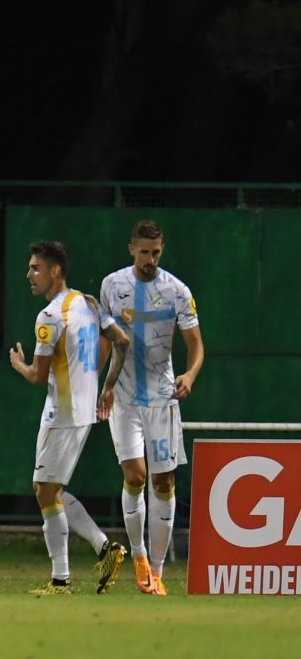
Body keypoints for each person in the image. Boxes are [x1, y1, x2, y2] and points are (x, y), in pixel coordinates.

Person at [9, 241, 130, 595]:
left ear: (55, 271)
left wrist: (19, 366)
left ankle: (61, 579)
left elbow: (36, 375)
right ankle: (104, 548)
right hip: (80, 410)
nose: (29, 275)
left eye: (35, 268)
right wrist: (104, 386)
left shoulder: (49, 316)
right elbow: (120, 341)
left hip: (62, 413)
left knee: (45, 492)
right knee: (51, 489)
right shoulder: (88, 302)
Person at [98, 220, 203, 595]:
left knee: (164, 482)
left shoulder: (176, 290)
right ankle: (139, 556)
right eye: (144, 252)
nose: (150, 259)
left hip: (163, 399)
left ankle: (156, 572)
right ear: (131, 249)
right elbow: (109, 343)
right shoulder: (112, 285)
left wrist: (189, 375)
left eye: (156, 252)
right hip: (124, 399)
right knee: (135, 476)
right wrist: (102, 387)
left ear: (163, 249)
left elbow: (195, 344)